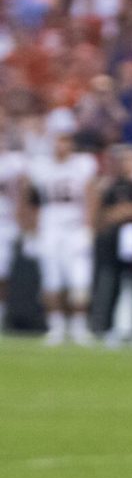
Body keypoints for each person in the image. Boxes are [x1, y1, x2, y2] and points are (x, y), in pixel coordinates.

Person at [28, 133, 98, 346]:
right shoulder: (41, 167)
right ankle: (56, 327)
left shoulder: (83, 164)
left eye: (65, 141)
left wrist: (89, 227)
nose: (62, 146)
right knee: (51, 279)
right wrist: (31, 229)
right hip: (50, 228)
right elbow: (31, 199)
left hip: (75, 228)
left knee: (80, 280)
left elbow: (91, 196)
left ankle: (79, 326)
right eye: (58, 141)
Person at [93, 146, 132, 343]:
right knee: (114, 284)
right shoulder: (110, 188)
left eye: (130, 161)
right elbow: (104, 215)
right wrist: (128, 211)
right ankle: (110, 327)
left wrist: (125, 210)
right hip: (115, 240)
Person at [0, 135, 27, 332]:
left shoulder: (14, 163)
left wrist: (21, 219)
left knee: (3, 274)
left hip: (5, 222)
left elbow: (23, 190)